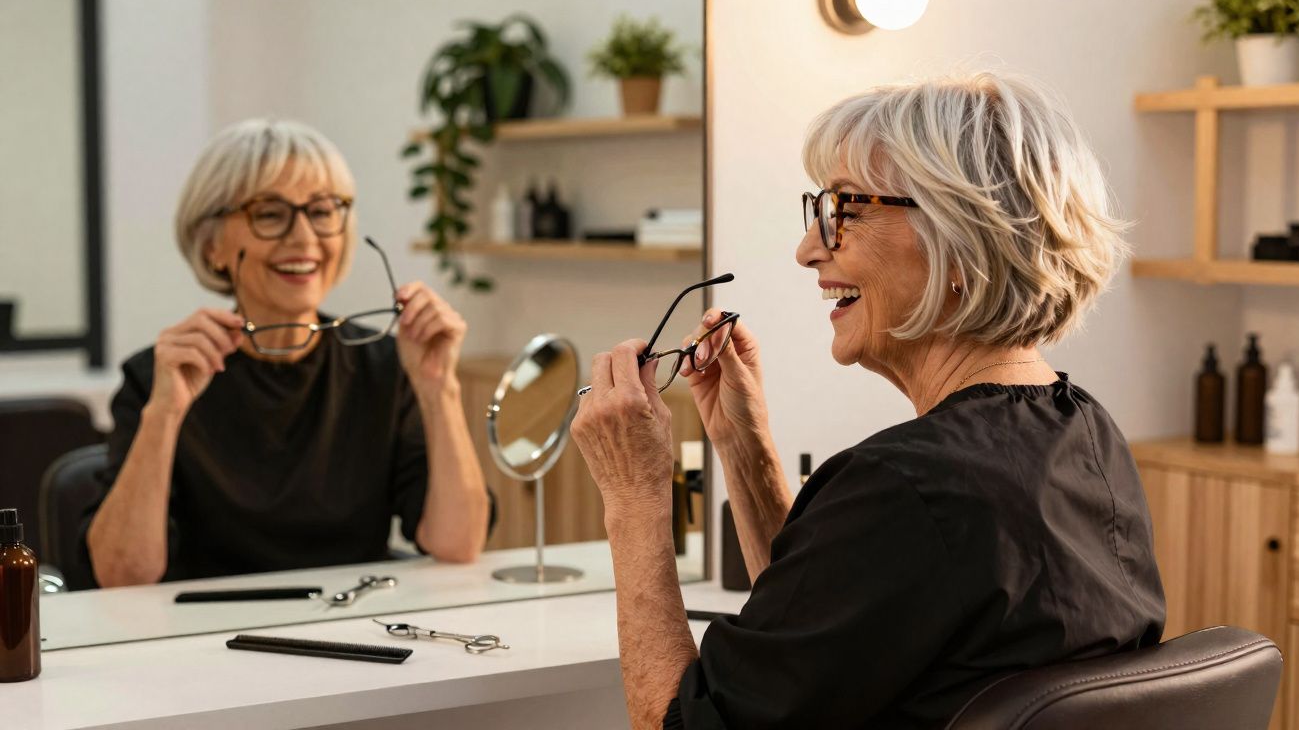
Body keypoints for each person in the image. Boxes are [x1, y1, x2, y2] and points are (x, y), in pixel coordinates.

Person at [571, 73, 1166, 728]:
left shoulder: (906, 490)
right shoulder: (1086, 435)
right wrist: (744, 447)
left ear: (962, 239)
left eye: (845, 210)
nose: (807, 249)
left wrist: (635, 496)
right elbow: (816, 638)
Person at [84, 119, 491, 586]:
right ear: (212, 243)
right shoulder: (161, 376)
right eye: (270, 214)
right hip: (204, 642)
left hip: (355, 635)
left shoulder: (385, 366)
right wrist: (164, 415)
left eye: (322, 212)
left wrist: (440, 388)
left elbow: (458, 544)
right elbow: (123, 575)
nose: (304, 239)